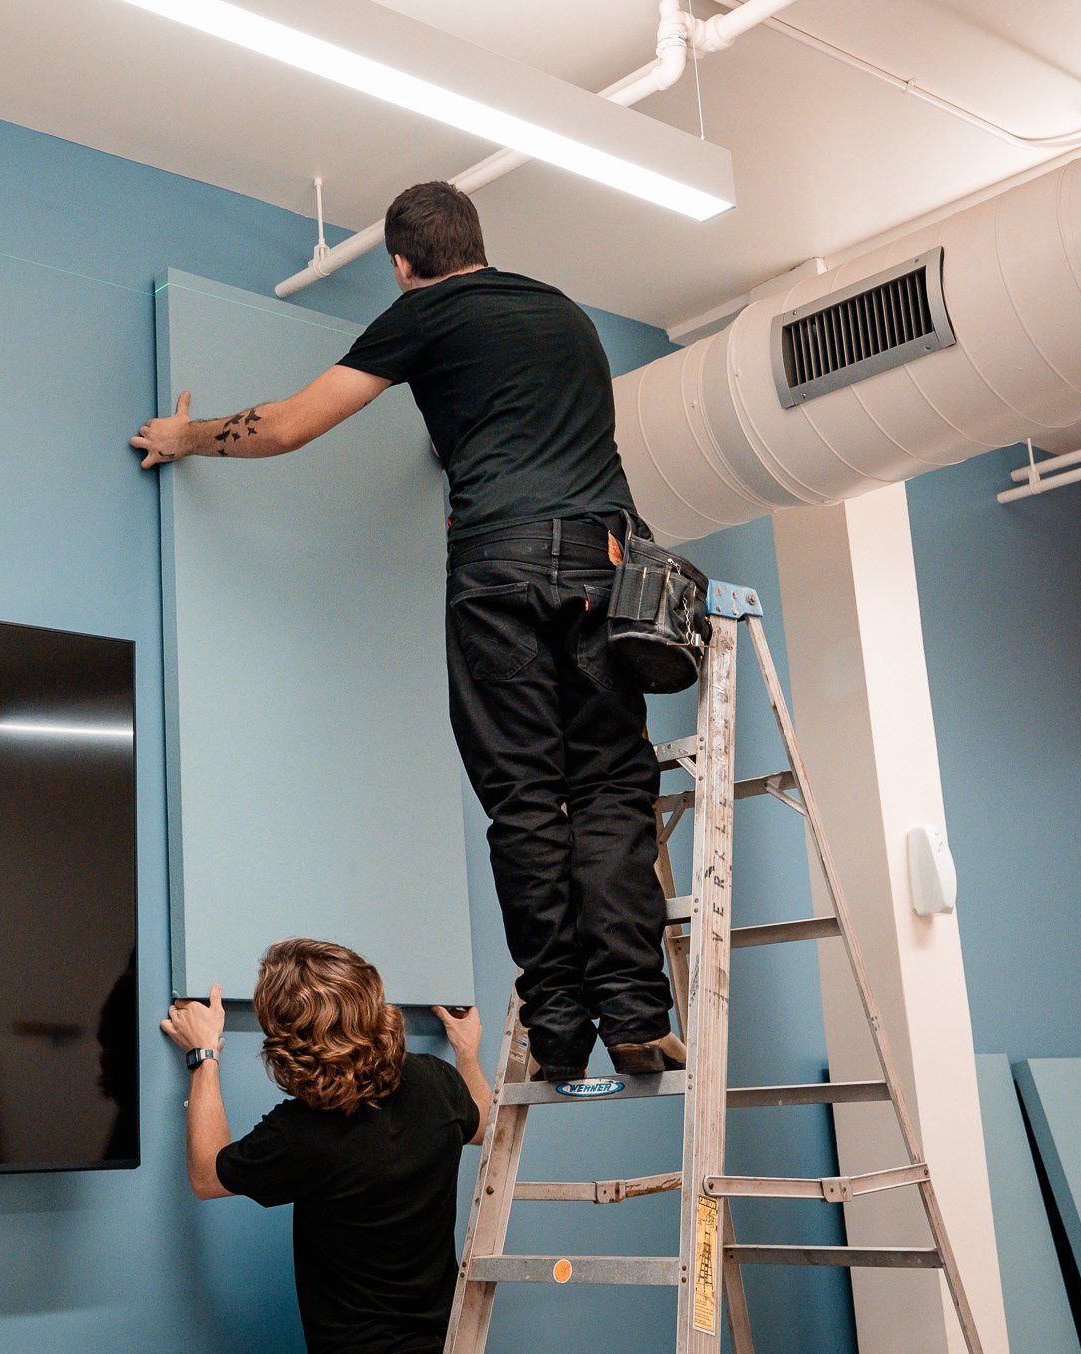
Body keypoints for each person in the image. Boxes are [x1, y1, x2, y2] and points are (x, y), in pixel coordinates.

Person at [130, 181, 682, 1083]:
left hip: (498, 571)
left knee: (525, 797)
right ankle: (633, 1014)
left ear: (401, 264)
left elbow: (291, 424)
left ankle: (555, 1031)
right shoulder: (568, 317)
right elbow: (543, 433)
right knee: (615, 788)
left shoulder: (428, 313)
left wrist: (184, 434)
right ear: (477, 240)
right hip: (598, 565)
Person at [162, 939, 490, 1354]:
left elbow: (207, 1174)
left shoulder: (302, 1132)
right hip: (445, 1351)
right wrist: (466, 1052)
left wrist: (203, 1055)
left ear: (289, 1042)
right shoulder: (436, 1083)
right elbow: (483, 1123)